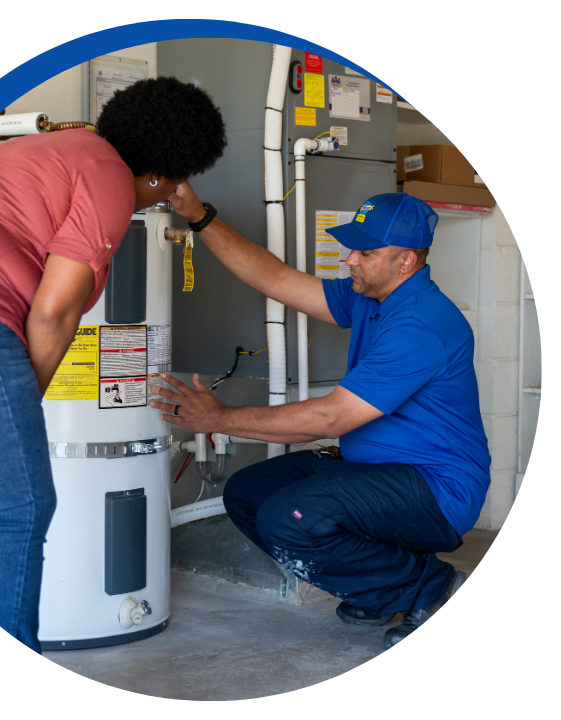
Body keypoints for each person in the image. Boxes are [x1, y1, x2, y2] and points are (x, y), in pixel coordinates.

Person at [0, 77, 227, 653]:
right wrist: (17, 405)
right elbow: (55, 312)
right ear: (164, 173)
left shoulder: (49, 151)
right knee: (20, 507)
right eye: (165, 191)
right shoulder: (111, 177)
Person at [151, 185, 491, 649]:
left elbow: (331, 418)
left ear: (406, 261)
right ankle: (378, 588)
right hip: (376, 472)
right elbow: (275, 278)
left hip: (436, 489)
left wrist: (218, 419)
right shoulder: (371, 299)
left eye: (366, 252)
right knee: (249, 494)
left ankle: (437, 592)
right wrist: (198, 215)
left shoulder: (421, 324)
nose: (350, 259)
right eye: (352, 247)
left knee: (289, 518)